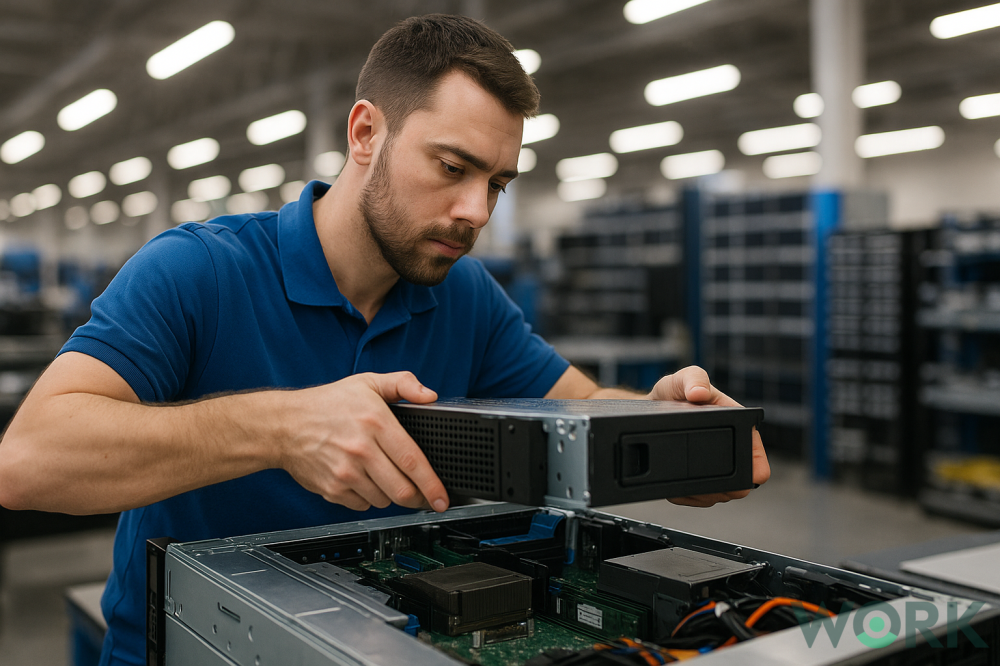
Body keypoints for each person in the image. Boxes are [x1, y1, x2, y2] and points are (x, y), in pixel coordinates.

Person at [0, 14, 769, 666]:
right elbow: (28, 464)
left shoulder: (462, 294)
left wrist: (665, 422)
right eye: (452, 166)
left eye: (497, 182)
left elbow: (586, 402)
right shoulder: (198, 269)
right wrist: (278, 427)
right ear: (366, 132)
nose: (476, 210)